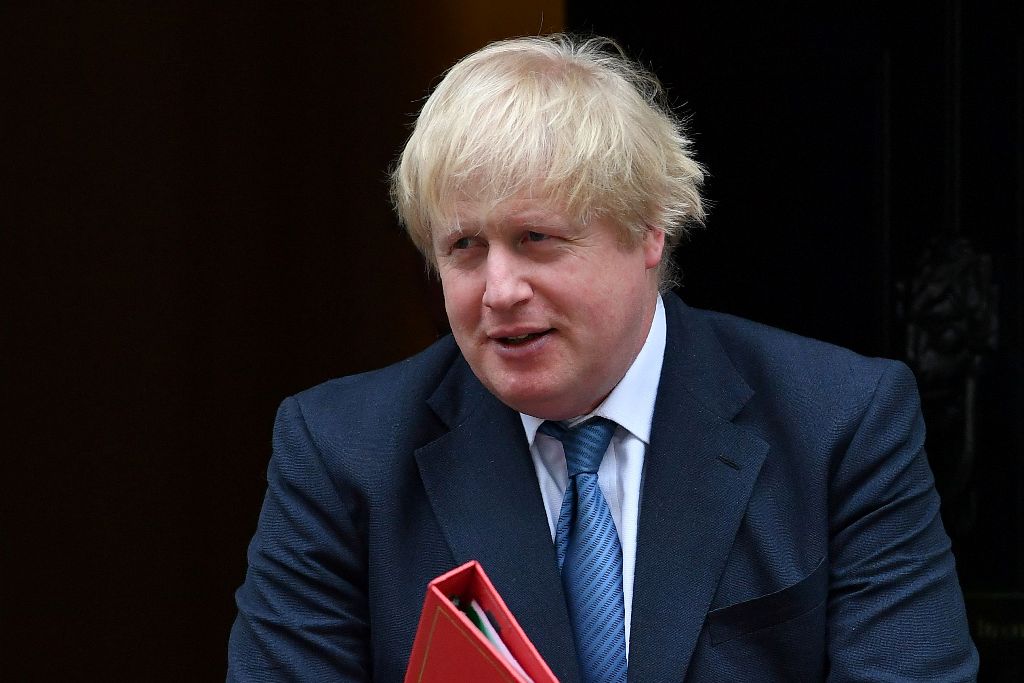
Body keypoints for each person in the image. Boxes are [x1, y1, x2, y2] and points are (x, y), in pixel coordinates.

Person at [228, 34, 978, 682]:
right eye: (464, 247)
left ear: (650, 232)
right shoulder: (340, 453)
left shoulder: (839, 424)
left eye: (537, 239)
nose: (498, 290)